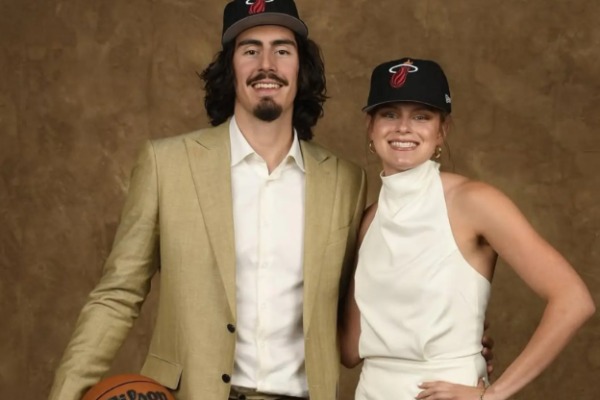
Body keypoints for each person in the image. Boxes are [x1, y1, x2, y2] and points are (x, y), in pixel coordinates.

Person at [48, 1, 367, 399]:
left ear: (301, 68)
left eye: (282, 50)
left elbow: (366, 304)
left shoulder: (346, 181)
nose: (266, 65)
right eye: (250, 50)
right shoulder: (167, 164)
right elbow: (118, 294)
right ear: (229, 67)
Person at [339, 57, 595, 400]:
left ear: (442, 131)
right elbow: (350, 350)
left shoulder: (474, 202)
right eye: (389, 114)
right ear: (370, 127)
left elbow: (573, 300)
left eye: (421, 116)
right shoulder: (368, 220)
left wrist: (493, 395)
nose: (403, 128)